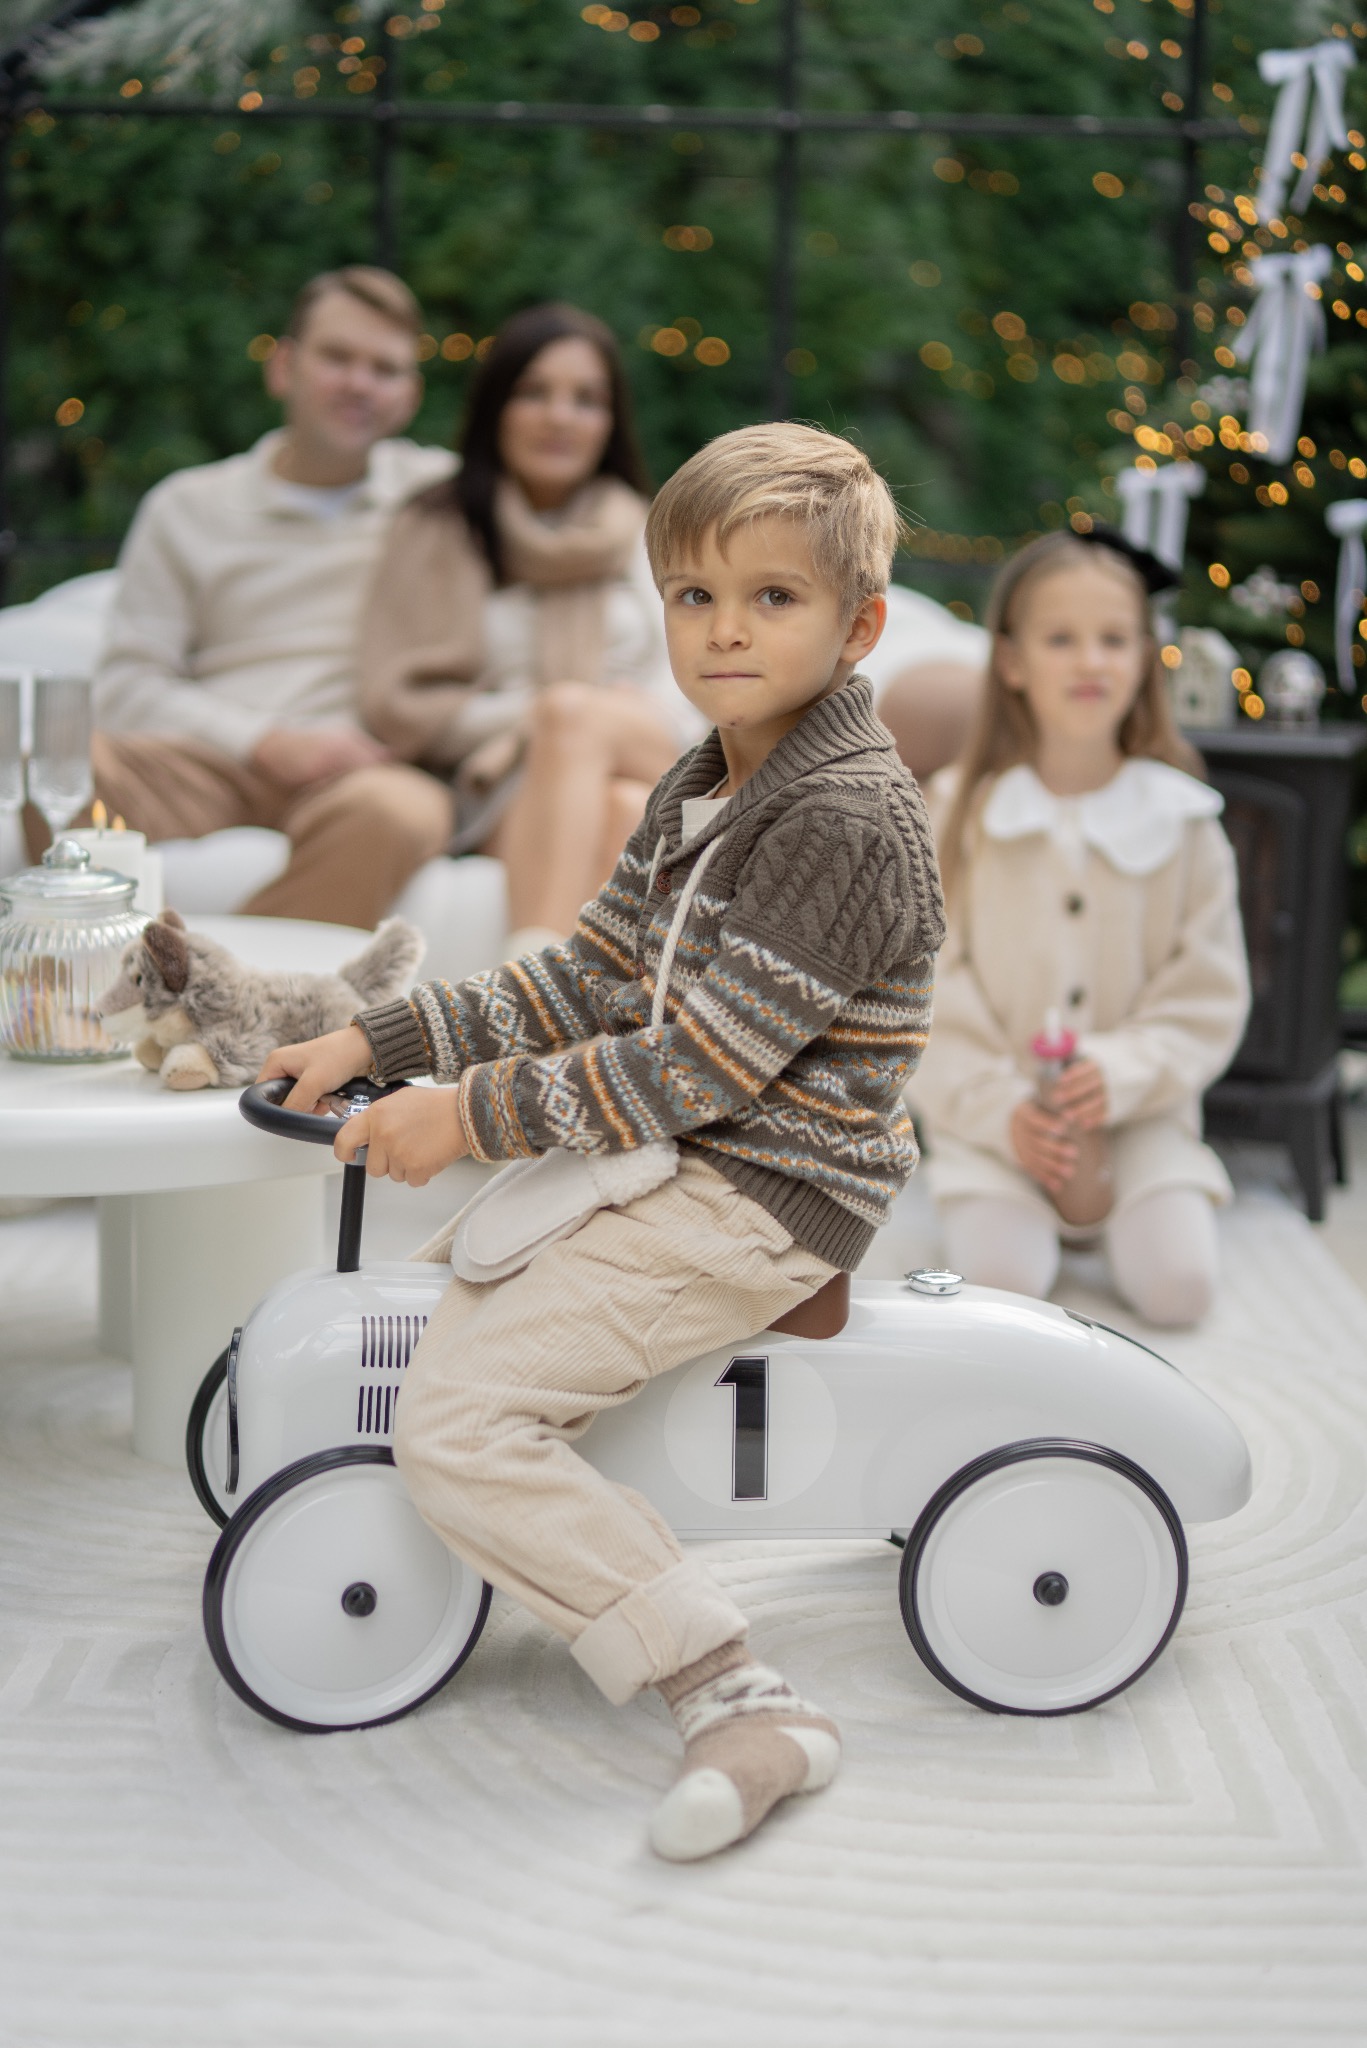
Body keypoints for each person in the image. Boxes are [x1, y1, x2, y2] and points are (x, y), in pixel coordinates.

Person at [259, 423, 945, 1860]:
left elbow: (695, 1066)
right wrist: (380, 1039)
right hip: (690, 1150)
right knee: (463, 1282)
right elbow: (586, 981)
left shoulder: (840, 817)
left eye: (772, 598)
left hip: (766, 1183)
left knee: (456, 1418)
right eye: (693, 596)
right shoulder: (706, 777)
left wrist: (467, 1120)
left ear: (857, 622)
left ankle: (736, 1691)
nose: (723, 630)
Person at [910, 528, 1251, 1326]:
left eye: (1112, 639)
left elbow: (1206, 992)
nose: (1090, 661)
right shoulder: (955, 812)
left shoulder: (1186, 820)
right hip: (995, 1127)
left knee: (1180, 1291)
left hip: (1140, 1121)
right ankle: (1011, 1197)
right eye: (1061, 639)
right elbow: (923, 992)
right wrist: (1000, 1110)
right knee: (1003, 1286)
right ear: (1012, 660)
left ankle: (1130, 1213)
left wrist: (1124, 1071)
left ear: (1143, 656)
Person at [76, 268, 457, 927]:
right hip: (211, 762)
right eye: (338, 357)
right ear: (283, 367)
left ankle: (215, 995)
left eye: (385, 369)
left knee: (403, 811)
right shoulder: (186, 506)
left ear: (410, 395)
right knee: (57, 766)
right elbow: (126, 686)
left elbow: (581, 525)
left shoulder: (439, 498)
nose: (360, 383)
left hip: (358, 775)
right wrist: (265, 741)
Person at [356, 302, 694, 952]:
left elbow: (688, 673)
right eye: (534, 393)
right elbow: (399, 700)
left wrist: (585, 714)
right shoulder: (437, 527)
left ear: (609, 420)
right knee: (619, 804)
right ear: (496, 408)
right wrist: (534, 717)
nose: (559, 417)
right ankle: (604, 1037)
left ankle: (527, 991)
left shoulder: (648, 530)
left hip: (649, 738)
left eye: (586, 399)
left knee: (575, 718)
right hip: (498, 779)